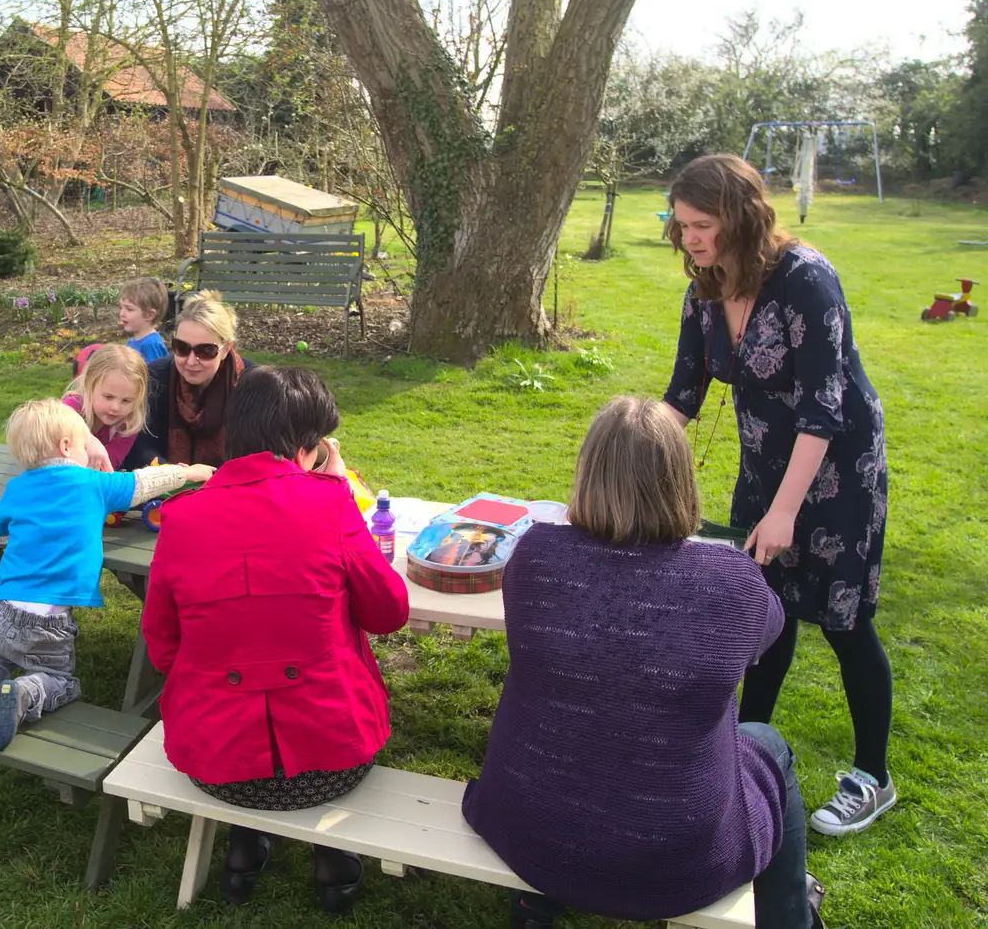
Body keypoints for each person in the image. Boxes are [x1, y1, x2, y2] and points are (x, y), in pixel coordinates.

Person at [463, 396, 825, 929]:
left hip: (527, 825)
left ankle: (535, 905)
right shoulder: (731, 584)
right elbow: (766, 631)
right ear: (680, 482)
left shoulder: (536, 556)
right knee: (769, 744)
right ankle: (790, 916)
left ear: (587, 475)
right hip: (675, 860)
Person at [662, 152, 894, 836]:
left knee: (845, 622)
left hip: (838, 470)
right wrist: (625, 465)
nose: (692, 239)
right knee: (764, 615)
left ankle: (872, 776)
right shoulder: (704, 287)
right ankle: (743, 754)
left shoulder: (806, 279)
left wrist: (787, 510)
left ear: (741, 216)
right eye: (681, 226)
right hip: (766, 465)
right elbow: (681, 397)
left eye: (703, 224)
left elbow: (826, 408)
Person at [143, 366, 409, 914]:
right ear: (307, 448)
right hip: (332, 759)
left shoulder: (181, 518)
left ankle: (244, 851)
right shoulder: (332, 503)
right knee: (317, 710)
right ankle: (333, 865)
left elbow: (163, 646)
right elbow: (388, 612)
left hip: (215, 764)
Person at [0, 399, 212, 758]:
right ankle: (26, 693)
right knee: (58, 678)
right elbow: (142, 482)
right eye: (83, 444)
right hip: (49, 619)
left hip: (2, 607)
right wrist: (189, 472)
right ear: (66, 446)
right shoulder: (93, 484)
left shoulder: (17, 488)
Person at [125, 290, 253, 469]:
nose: (191, 361)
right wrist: (178, 475)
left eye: (206, 351)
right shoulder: (155, 378)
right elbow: (137, 445)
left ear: (226, 349)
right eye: (182, 348)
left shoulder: (254, 385)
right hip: (167, 486)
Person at [62, 344, 148, 474]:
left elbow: (108, 466)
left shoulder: (128, 424)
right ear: (89, 385)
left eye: (126, 400)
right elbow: (60, 422)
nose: (115, 407)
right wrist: (89, 440)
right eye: (108, 397)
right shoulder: (72, 407)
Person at [119, 276, 171, 363]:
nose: (121, 314)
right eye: (121, 307)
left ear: (149, 315)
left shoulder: (150, 345)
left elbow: (155, 375)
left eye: (129, 309)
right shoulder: (131, 342)